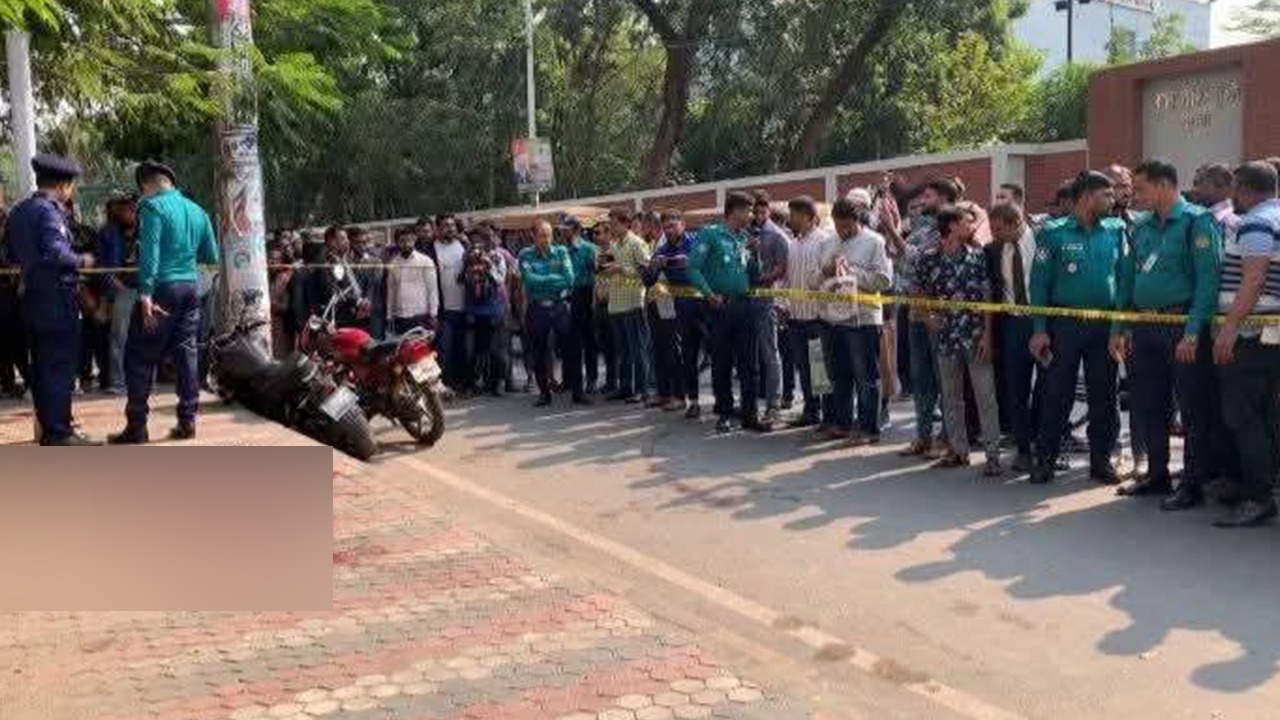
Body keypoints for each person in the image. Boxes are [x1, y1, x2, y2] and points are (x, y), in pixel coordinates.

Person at [1114, 160, 1221, 510]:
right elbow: (1127, 279)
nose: (1135, 195)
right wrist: (1120, 327)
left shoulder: (1196, 222)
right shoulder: (1141, 227)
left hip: (1181, 326)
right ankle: (1157, 475)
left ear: (1163, 185)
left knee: (1192, 408)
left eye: (1141, 188)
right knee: (1149, 403)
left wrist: (1192, 333)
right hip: (1145, 327)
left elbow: (1208, 282)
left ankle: (1193, 483)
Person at [1028, 171, 1128, 485]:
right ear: (1086, 197)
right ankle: (1046, 459)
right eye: (1106, 195)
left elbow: (1124, 282)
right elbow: (1039, 284)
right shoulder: (1053, 233)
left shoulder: (1116, 230)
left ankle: (1101, 461)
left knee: (1104, 397)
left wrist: (1118, 328)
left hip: (1104, 327)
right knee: (1056, 394)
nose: (1113, 200)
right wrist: (1040, 329)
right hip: (1064, 326)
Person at [108, 161, 219, 444]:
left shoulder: (152, 207)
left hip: (161, 290)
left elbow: (150, 253)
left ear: (147, 185)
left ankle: (137, 427)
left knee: (139, 356)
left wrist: (145, 292)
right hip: (190, 289)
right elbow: (211, 255)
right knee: (186, 353)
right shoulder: (198, 211)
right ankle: (187, 421)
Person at [6, 154, 100, 445]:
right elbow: (56, 251)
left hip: (31, 297)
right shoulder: (48, 212)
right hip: (56, 298)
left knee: (42, 368)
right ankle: (59, 433)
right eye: (71, 186)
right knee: (59, 368)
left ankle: (51, 428)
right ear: (63, 185)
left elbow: (11, 255)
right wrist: (82, 260)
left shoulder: (19, 211)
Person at [1210, 161, 1280, 527]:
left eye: (1234, 188)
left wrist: (1230, 329)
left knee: (1243, 416)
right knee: (1264, 414)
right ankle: (1260, 485)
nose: (1231, 195)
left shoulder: (1257, 222)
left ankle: (1258, 497)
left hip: (1250, 336)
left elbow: (1253, 279)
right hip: (1268, 334)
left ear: (1246, 190)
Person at [917, 203, 1002, 475]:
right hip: (945, 338)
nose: (971, 226)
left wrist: (987, 336)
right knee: (951, 398)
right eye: (966, 221)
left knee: (985, 396)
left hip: (975, 337)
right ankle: (958, 450)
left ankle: (993, 456)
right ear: (952, 226)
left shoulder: (977, 256)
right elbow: (918, 292)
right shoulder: (928, 258)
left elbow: (987, 298)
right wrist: (928, 316)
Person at [886, 177, 959, 458]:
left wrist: (891, 230)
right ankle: (923, 435)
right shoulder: (921, 226)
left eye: (928, 196)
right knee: (921, 377)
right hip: (915, 308)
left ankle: (947, 438)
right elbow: (900, 259)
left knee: (944, 379)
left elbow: (916, 258)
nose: (921, 202)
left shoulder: (949, 227)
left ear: (943, 198)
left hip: (938, 312)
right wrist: (895, 237)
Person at [687, 191, 767, 434]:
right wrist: (709, 294)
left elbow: (754, 276)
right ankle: (724, 413)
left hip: (745, 305)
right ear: (735, 211)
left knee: (749, 363)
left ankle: (750, 414)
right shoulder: (710, 234)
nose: (751, 215)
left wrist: (756, 254)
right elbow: (693, 268)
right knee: (722, 362)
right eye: (748, 211)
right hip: (719, 308)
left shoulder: (744, 239)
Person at [818, 197, 893, 446]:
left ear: (857, 220)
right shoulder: (829, 242)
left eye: (846, 226)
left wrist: (851, 273)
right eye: (838, 226)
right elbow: (814, 279)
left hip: (863, 319)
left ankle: (869, 428)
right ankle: (842, 423)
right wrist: (827, 271)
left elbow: (884, 280)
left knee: (865, 376)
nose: (842, 231)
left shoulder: (874, 242)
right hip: (833, 318)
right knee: (839, 375)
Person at [986, 202, 1040, 473]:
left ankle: (1046, 443)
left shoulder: (1043, 240)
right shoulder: (993, 250)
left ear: (1016, 223)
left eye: (997, 229)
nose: (993, 234)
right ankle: (1023, 449)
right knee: (1016, 390)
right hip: (1013, 325)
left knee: (1049, 387)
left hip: (1043, 324)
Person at [519, 219, 588, 407]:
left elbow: (569, 279)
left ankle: (578, 392)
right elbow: (529, 280)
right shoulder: (525, 255)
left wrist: (542, 279)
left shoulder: (561, 251)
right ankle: (544, 393)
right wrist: (554, 278)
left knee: (572, 350)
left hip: (559, 307)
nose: (547, 239)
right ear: (533, 236)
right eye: (542, 236)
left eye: (549, 235)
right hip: (537, 308)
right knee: (539, 351)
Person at [781, 196, 833, 428]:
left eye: (793, 215)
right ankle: (810, 410)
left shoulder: (824, 241)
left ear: (808, 217)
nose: (790, 219)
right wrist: (783, 305)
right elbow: (788, 279)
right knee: (804, 368)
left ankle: (827, 414)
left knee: (820, 369)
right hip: (796, 317)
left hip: (817, 318)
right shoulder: (793, 245)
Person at [641, 211, 692, 412]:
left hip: (689, 304)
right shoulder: (660, 248)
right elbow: (648, 280)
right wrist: (651, 268)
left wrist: (673, 263)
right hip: (660, 304)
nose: (669, 230)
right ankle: (664, 393)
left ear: (682, 225)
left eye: (673, 226)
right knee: (660, 348)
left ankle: (680, 395)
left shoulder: (693, 243)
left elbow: (691, 267)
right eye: (666, 227)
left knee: (675, 351)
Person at [600, 209, 652, 403]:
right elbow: (610, 268)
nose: (611, 228)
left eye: (614, 224)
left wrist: (621, 268)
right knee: (622, 350)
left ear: (625, 224)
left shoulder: (637, 243)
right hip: (616, 304)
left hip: (633, 303)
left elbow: (647, 271)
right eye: (610, 224)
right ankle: (625, 387)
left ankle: (641, 389)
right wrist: (606, 269)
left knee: (637, 349)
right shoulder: (614, 245)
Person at [749, 192, 790, 425]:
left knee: (770, 353)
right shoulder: (745, 233)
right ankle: (750, 403)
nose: (758, 215)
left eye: (762, 211)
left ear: (768, 210)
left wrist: (765, 278)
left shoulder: (777, 235)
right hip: (746, 301)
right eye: (755, 211)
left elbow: (782, 269)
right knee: (749, 355)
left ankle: (773, 404)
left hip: (767, 301)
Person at [98, 194, 140, 395]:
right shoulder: (109, 233)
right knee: (118, 337)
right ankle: (117, 381)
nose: (128, 213)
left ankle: (143, 379)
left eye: (131, 209)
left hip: (145, 288)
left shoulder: (147, 230)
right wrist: (113, 283)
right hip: (122, 289)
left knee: (144, 337)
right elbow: (101, 263)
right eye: (124, 209)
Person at [463, 233, 507, 396]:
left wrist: (488, 266)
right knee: (473, 351)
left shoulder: (497, 257)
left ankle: (497, 383)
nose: (480, 245)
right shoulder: (468, 258)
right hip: (474, 311)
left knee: (496, 351)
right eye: (476, 241)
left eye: (484, 240)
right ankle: (473, 384)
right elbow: (461, 281)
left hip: (494, 310)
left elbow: (499, 280)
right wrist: (469, 263)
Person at [561, 216, 600, 394]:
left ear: (576, 230)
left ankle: (591, 379)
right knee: (568, 341)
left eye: (566, 228)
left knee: (589, 340)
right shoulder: (561, 250)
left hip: (585, 294)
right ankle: (569, 379)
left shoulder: (589, 249)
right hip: (566, 295)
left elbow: (597, 274)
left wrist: (594, 300)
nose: (563, 232)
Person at [431, 227, 468, 391]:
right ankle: (446, 384)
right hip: (444, 309)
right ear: (438, 228)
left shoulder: (463, 244)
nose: (450, 229)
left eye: (452, 225)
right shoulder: (432, 247)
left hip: (465, 307)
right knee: (445, 348)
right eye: (445, 225)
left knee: (463, 348)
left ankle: (463, 383)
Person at [385, 227, 439, 335]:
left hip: (420, 315)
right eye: (402, 241)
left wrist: (433, 314)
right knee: (402, 345)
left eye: (409, 240)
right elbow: (391, 290)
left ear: (414, 240)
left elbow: (432, 289)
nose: (406, 244)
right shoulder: (393, 263)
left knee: (420, 345)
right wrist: (389, 315)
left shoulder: (426, 261)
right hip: (400, 316)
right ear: (397, 243)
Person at [0, 207, 30, 398]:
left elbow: (24, 265)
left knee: (19, 342)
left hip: (15, 297)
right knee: (2, 343)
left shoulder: (15, 243)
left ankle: (29, 380)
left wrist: (21, 283)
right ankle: (7, 383)